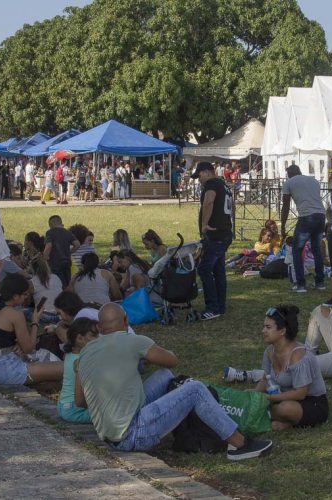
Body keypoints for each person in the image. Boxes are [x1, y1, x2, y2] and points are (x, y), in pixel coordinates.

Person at [75, 303, 272, 460]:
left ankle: (180, 426)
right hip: (132, 434)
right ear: (126, 321)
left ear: (99, 327)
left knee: (164, 376)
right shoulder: (133, 341)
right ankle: (240, 444)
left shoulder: (84, 354)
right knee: (194, 389)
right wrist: (142, 355)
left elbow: (81, 402)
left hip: (110, 436)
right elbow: (172, 360)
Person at [0, 273, 63, 385]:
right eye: (25, 294)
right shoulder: (15, 315)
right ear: (15, 296)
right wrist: (35, 321)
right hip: (7, 370)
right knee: (65, 368)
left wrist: (13, 346)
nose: (27, 298)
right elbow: (29, 349)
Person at [254, 305, 328, 431]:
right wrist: (254, 396)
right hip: (282, 398)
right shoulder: (269, 351)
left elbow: (300, 394)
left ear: (282, 331)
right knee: (250, 397)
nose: (263, 331)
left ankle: (270, 418)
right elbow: (265, 379)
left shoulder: (299, 356)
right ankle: (279, 421)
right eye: (263, 327)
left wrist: (269, 398)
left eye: (268, 327)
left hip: (312, 403)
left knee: (285, 408)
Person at [192, 162, 233, 320]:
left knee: (204, 269)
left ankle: (213, 308)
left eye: (199, 175)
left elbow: (209, 201)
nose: (199, 180)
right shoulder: (224, 185)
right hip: (224, 233)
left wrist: (204, 224)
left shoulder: (212, 184)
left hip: (215, 235)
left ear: (206, 172)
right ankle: (220, 306)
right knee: (218, 270)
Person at [280, 164, 326, 293]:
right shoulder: (314, 181)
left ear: (288, 174)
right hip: (321, 216)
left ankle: (300, 284)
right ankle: (320, 282)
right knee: (316, 249)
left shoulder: (288, 183)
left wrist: (283, 225)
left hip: (306, 217)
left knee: (297, 249)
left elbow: (286, 206)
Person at [59, 318, 96, 423]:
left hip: (64, 406)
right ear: (80, 338)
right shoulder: (84, 359)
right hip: (75, 410)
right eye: (94, 336)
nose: (99, 339)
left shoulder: (70, 354)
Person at [44, 215, 80, 289]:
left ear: (50, 225)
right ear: (61, 223)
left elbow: (49, 245)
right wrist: (69, 252)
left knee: (58, 284)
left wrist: (44, 257)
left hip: (55, 263)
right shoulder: (67, 232)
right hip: (67, 262)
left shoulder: (50, 232)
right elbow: (77, 244)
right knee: (67, 283)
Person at [29, 257, 63, 323]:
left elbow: (26, 301)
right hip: (59, 315)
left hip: (43, 315)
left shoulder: (32, 282)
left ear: (33, 268)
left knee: (23, 311)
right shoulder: (56, 277)